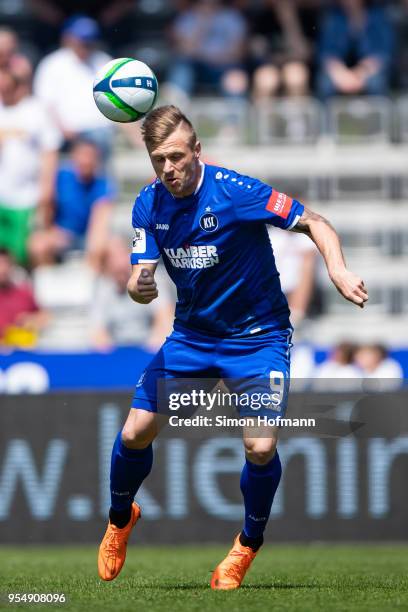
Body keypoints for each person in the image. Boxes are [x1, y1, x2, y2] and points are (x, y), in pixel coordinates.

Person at [97, 105, 368, 589]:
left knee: (260, 445)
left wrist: (339, 269)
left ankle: (247, 544)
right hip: (192, 337)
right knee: (135, 433)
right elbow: (142, 272)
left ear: (197, 151)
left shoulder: (236, 192)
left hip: (258, 338)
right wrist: (139, 284)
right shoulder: (148, 204)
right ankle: (120, 520)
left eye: (177, 156)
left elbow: (316, 222)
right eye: (159, 160)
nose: (169, 169)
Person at [0, 65, 60, 266]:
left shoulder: (36, 111)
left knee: (27, 253)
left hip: (28, 198)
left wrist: (46, 193)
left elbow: (50, 152)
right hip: (2, 197)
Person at [33, 14, 113, 159]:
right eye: (81, 40)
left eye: (89, 40)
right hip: (66, 135)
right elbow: (45, 102)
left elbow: (117, 99)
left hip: (100, 133)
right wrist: (64, 129)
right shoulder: (52, 63)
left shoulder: (104, 61)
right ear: (68, 38)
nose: (85, 44)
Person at [29, 138, 116, 271]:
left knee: (115, 253)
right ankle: (48, 283)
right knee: (38, 245)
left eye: (90, 156)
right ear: (74, 157)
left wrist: (95, 247)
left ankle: (91, 285)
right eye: (83, 155)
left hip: (88, 236)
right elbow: (47, 206)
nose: (86, 160)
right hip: (60, 233)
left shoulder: (102, 185)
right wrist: (49, 229)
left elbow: (100, 221)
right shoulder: (60, 177)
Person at [90, 236, 174, 351]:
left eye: (121, 254)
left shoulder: (151, 278)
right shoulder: (102, 287)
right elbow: (97, 330)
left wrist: (150, 349)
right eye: (111, 258)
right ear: (105, 266)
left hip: (150, 349)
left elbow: (165, 318)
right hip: (117, 354)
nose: (119, 263)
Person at [316, 0, 395, 99]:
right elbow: (326, 54)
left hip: (368, 72)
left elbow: (383, 54)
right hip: (340, 72)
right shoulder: (332, 18)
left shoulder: (378, 16)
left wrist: (360, 74)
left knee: (376, 82)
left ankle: (377, 114)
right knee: (325, 83)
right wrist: (342, 75)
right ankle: (326, 115)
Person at [0, 248, 48, 347]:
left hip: (21, 351)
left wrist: (31, 320)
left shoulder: (23, 293)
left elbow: (45, 316)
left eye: (5, 263)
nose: (3, 269)